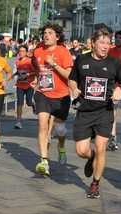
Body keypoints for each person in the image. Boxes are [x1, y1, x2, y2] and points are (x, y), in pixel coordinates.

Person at [68, 28, 121, 198]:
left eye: (108, 43)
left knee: (101, 148)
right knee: (81, 151)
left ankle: (95, 184)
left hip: (104, 111)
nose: (105, 46)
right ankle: (91, 158)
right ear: (93, 43)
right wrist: (74, 89)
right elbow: (72, 78)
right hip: (84, 111)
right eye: (101, 42)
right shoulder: (82, 60)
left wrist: (120, 88)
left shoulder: (114, 63)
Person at [31, 23, 73, 175]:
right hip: (43, 93)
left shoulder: (63, 52)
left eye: (50, 33)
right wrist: (37, 78)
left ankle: (61, 147)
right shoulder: (38, 50)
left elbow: (69, 74)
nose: (46, 35)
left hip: (61, 96)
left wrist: (53, 64)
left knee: (59, 128)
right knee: (42, 126)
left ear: (57, 37)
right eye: (45, 33)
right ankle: (44, 160)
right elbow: (35, 65)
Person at [14, 45, 36, 129]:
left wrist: (27, 74)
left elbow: (35, 72)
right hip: (20, 84)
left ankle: (33, 105)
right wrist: (12, 75)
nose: (21, 53)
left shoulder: (30, 61)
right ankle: (19, 122)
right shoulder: (17, 62)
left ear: (26, 52)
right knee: (19, 102)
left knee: (29, 102)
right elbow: (18, 71)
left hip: (29, 84)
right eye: (20, 51)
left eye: (23, 51)